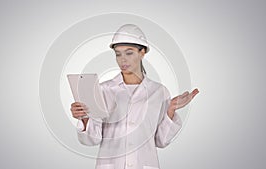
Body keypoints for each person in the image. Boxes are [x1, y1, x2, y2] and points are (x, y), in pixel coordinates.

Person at [70, 24, 199, 169]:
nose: (122, 60)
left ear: (142, 52)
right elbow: (91, 140)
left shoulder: (159, 92)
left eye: (129, 53)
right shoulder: (103, 90)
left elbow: (161, 141)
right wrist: (85, 117)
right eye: (118, 54)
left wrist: (170, 110)